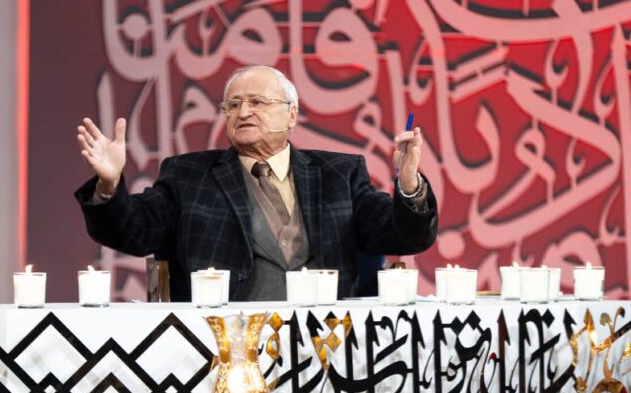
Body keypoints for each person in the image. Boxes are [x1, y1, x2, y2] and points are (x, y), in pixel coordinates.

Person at [75, 65, 437, 301]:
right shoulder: (189, 176)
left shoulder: (339, 173)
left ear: (291, 114)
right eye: (232, 105)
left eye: (257, 102)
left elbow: (402, 237)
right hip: (225, 344)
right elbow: (133, 232)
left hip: (327, 342)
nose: (243, 112)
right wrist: (109, 184)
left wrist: (409, 185)